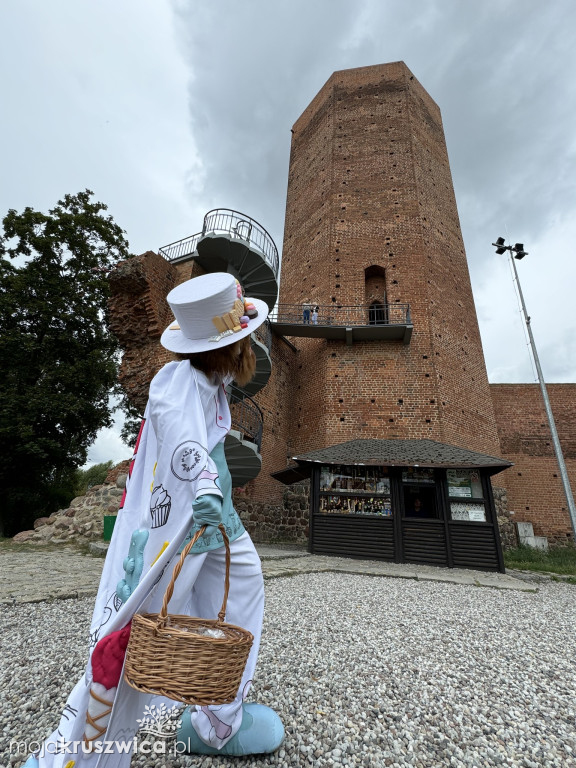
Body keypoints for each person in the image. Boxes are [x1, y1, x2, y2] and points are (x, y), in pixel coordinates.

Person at [22, 273, 284, 767]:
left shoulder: (213, 380)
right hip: (184, 522)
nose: (250, 339)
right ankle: (67, 756)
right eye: (243, 333)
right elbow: (182, 439)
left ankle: (217, 717)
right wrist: (207, 485)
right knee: (133, 639)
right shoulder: (176, 381)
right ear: (229, 343)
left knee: (243, 592)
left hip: (217, 522)